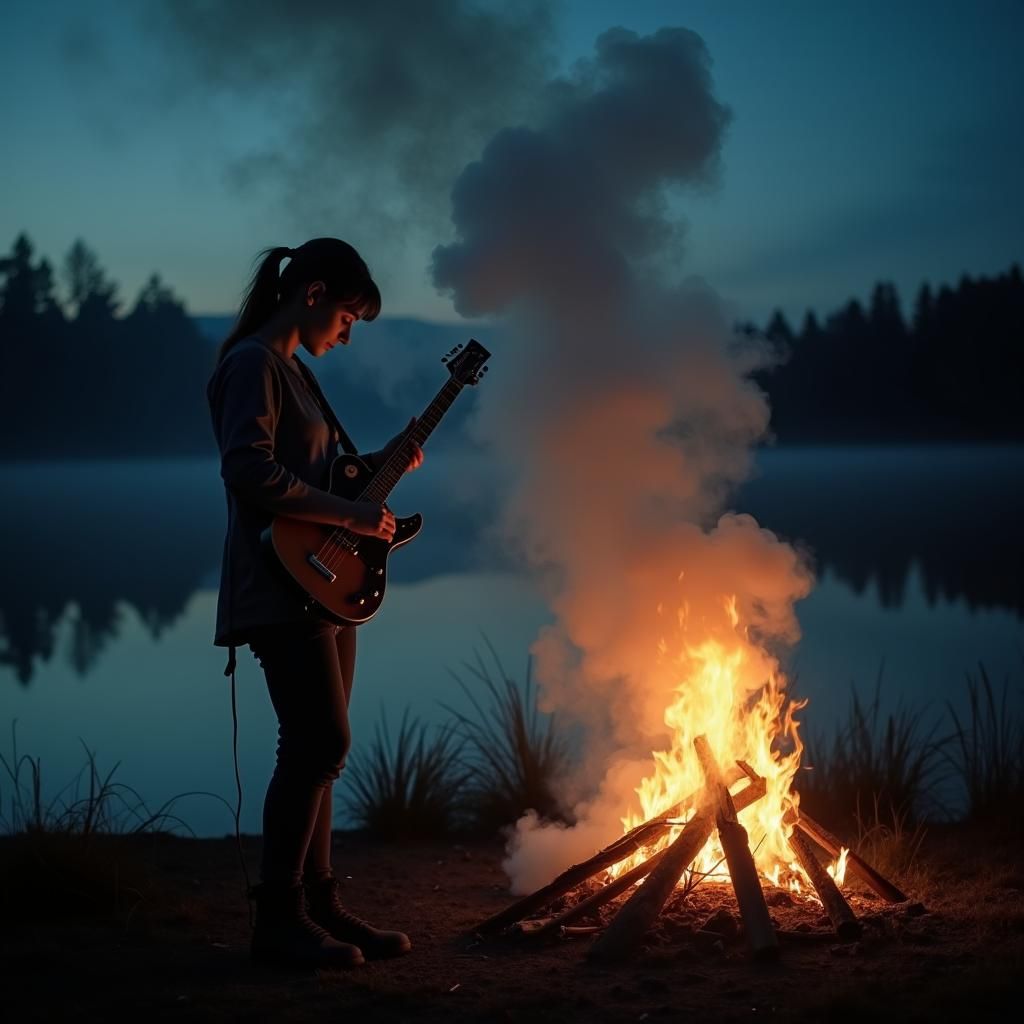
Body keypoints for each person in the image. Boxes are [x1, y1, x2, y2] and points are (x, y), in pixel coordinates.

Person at [207, 238, 422, 969]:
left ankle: (323, 907)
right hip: (276, 587)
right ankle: (278, 923)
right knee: (319, 743)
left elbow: (326, 478)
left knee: (318, 754)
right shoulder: (252, 366)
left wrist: (376, 473)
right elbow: (248, 469)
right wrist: (350, 514)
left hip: (324, 586)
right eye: (348, 315)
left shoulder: (297, 374)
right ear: (314, 293)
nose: (349, 331)